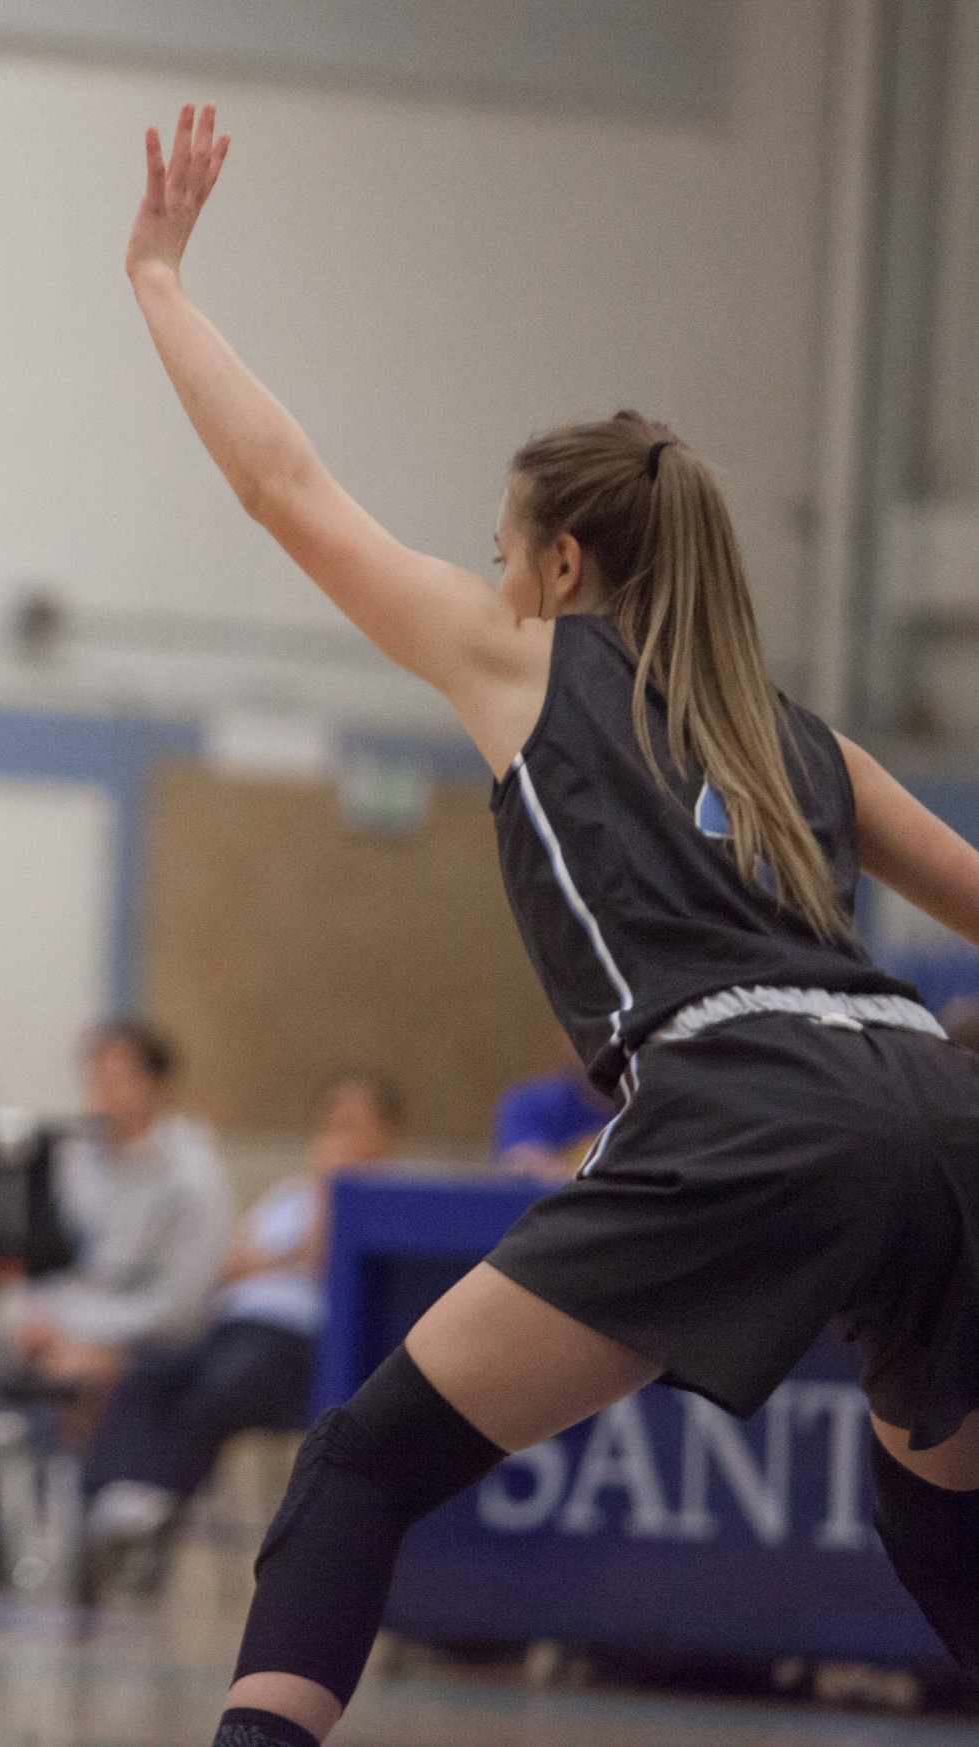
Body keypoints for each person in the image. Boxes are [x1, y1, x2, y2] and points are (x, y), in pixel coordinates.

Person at [127, 104, 979, 1747]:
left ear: (563, 563)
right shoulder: (805, 734)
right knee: (941, 1516)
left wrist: (160, 274)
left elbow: (283, 484)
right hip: (940, 1101)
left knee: (362, 1461)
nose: (487, 572)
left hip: (748, 1103)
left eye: (502, 548)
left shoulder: (529, 654)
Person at [0, 1020, 231, 1537]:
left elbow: (178, 1309)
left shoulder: (194, 1178)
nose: (102, 1095)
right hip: (49, 1324)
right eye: (95, 1079)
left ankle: (73, 1545)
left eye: (117, 1080)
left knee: (71, 1375)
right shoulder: (69, 1157)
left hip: (143, 1342)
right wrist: (21, 1312)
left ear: (156, 1085)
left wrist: (73, 1326)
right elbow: (35, 1262)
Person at [81, 1072, 403, 1589]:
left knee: (221, 1388)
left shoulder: (382, 1201)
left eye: (352, 1124)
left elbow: (325, 1263)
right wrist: (282, 1257)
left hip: (297, 1344)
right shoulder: (286, 1195)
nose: (336, 1136)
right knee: (144, 1375)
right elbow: (229, 1265)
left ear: (386, 1133)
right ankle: (110, 1504)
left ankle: (154, 1505)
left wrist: (329, 1191)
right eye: (330, 1122)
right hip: (232, 1323)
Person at [490, 1033, 613, 1182]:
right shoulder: (528, 1103)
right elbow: (521, 1163)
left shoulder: (646, 1106)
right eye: (590, 1036)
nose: (603, 1049)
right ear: (567, 1041)